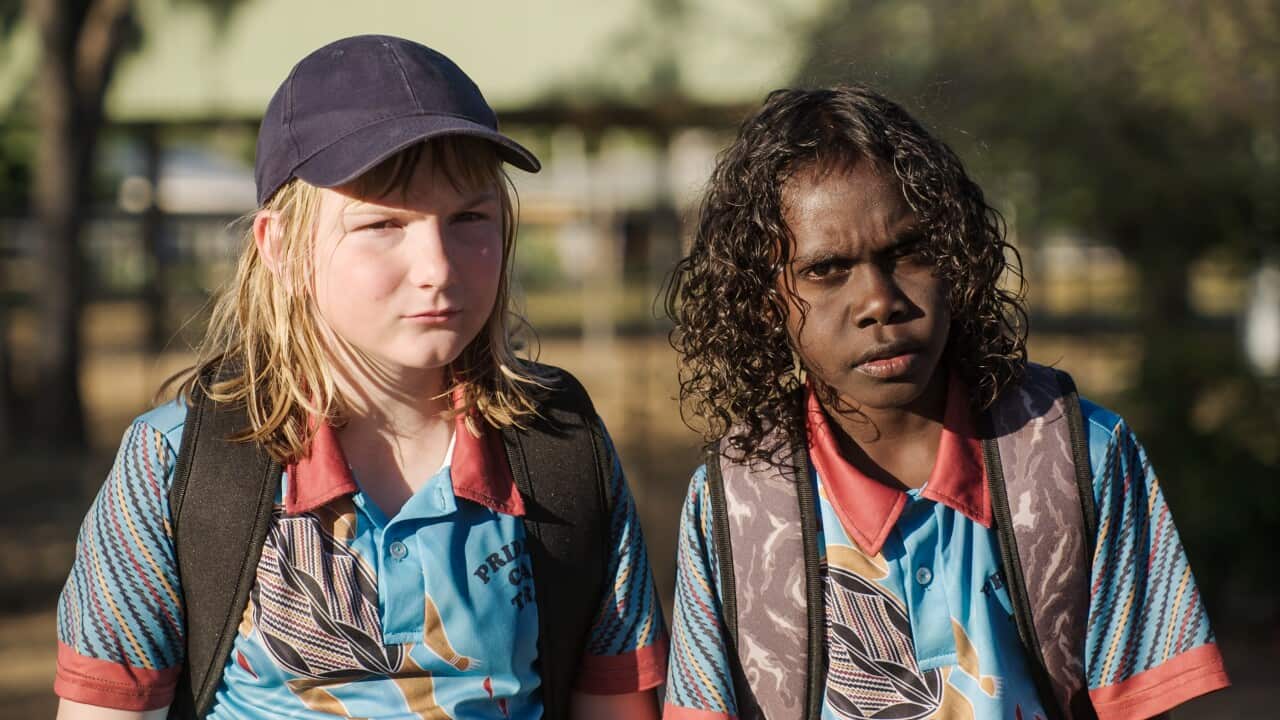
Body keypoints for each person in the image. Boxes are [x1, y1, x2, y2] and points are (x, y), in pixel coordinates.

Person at [54, 35, 666, 720]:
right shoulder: (174, 465)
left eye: (469, 217)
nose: (437, 265)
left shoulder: (563, 450)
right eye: (382, 224)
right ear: (281, 248)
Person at [661, 86, 1228, 720]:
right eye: (826, 270)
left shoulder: (1081, 457)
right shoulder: (734, 501)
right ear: (765, 300)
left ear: (956, 256)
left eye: (907, 252)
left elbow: (1145, 704)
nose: (879, 301)